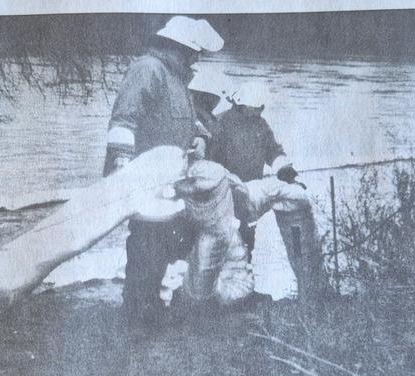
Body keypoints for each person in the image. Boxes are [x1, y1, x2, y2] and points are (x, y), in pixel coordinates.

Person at [103, 16, 223, 328]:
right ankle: (138, 310)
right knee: (146, 241)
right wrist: (121, 165)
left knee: (161, 242)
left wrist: (198, 135)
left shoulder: (177, 79)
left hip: (167, 176)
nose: (197, 58)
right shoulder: (148, 68)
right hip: (142, 175)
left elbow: (181, 120)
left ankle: (149, 304)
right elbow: (124, 119)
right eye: (194, 51)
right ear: (178, 47)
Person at [211, 81, 303, 260]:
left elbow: (273, 150)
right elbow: (210, 160)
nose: (260, 112)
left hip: (251, 193)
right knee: (224, 240)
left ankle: (245, 275)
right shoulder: (220, 124)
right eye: (257, 108)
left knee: (247, 239)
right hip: (224, 193)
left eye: (262, 108)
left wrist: (285, 171)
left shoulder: (261, 125)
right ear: (242, 106)